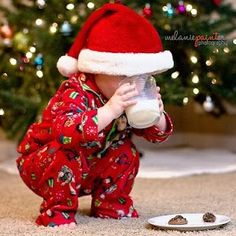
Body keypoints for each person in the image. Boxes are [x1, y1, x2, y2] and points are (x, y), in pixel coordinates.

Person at [16, 3, 174, 227]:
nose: (134, 85)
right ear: (99, 69)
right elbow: (64, 132)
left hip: (94, 163)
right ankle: (57, 210)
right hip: (45, 162)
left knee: (125, 152)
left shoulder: (130, 96)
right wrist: (109, 110)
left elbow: (153, 134)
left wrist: (157, 115)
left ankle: (111, 204)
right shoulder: (76, 91)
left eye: (140, 77)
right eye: (123, 76)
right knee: (67, 154)